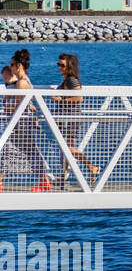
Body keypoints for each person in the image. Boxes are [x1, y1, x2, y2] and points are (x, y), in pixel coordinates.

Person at [5, 50, 54, 192]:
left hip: (21, 122)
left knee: (8, 149)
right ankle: (44, 181)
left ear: (19, 65)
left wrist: (7, 108)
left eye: (12, 64)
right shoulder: (25, 80)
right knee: (29, 151)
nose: (10, 67)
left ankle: (44, 181)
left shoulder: (21, 82)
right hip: (23, 121)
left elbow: (19, 104)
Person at [53, 53, 98, 184]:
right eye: (58, 64)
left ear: (69, 67)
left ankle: (91, 167)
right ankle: (64, 175)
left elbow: (79, 98)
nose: (59, 67)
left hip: (71, 118)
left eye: (62, 65)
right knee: (66, 148)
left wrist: (61, 99)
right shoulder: (66, 80)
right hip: (67, 118)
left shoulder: (72, 80)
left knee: (67, 148)